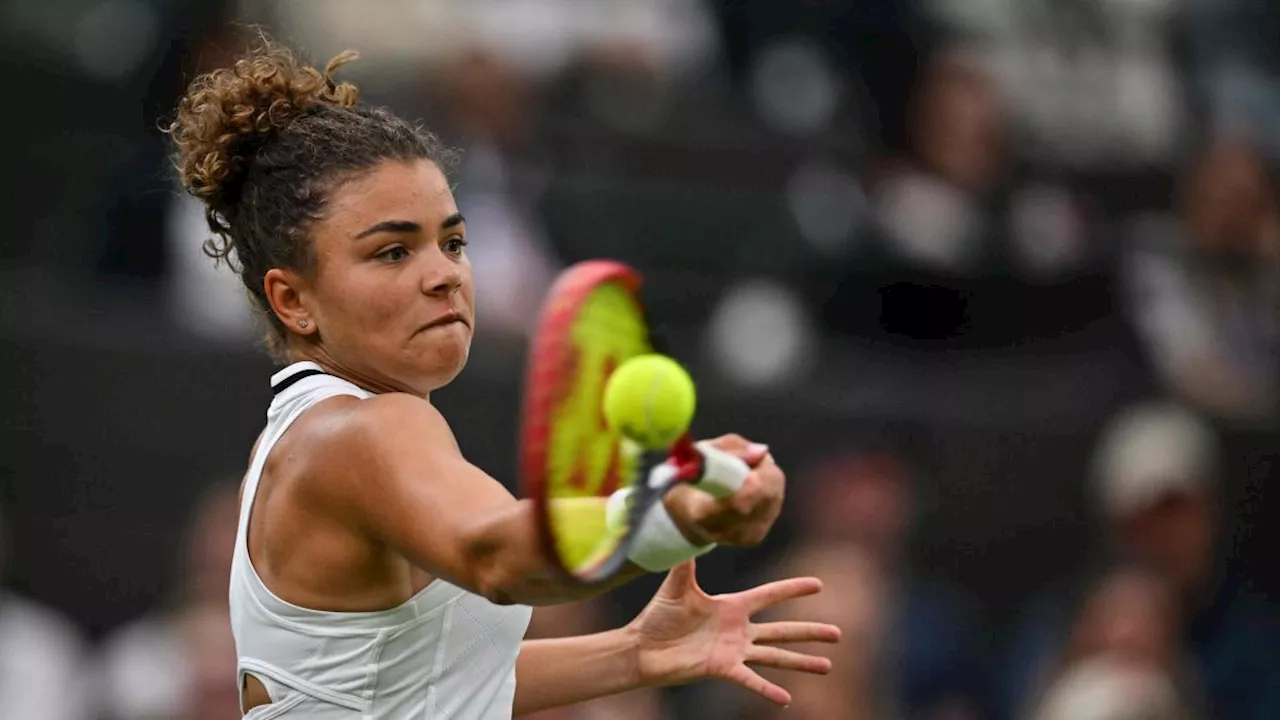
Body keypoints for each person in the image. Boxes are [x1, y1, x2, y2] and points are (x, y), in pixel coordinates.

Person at [164, 37, 840, 719]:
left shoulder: (304, 437)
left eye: (453, 242)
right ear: (293, 301)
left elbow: (411, 687)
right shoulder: (362, 431)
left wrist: (633, 654)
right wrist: (676, 514)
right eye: (393, 252)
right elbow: (496, 552)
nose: (444, 274)